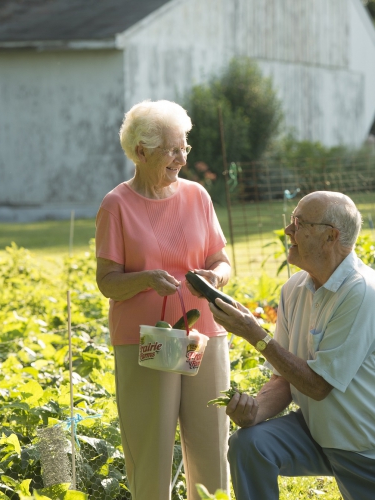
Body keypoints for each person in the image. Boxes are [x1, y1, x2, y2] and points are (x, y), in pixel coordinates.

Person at [208, 191, 375, 500]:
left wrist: (254, 334)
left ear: (330, 237)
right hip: (320, 433)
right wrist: (254, 414)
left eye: (299, 222)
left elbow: (319, 385)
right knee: (249, 443)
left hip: (374, 445)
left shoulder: (361, 291)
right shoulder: (295, 288)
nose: (288, 230)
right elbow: (284, 377)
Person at [95, 100, 231, 499]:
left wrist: (215, 276)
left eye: (184, 148)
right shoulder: (116, 205)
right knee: (149, 448)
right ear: (141, 151)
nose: (181, 159)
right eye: (173, 149)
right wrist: (145, 280)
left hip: (202, 332)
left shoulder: (197, 197)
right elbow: (107, 282)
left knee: (210, 447)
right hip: (146, 339)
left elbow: (221, 259)